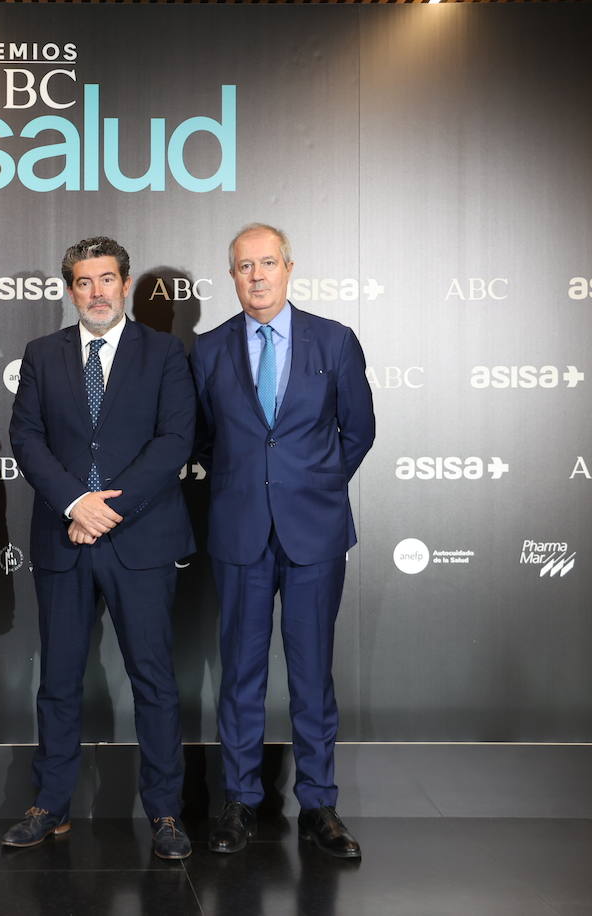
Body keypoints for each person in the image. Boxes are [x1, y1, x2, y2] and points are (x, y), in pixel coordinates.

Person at [6, 237, 195, 860]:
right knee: (58, 680)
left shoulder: (165, 352)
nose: (97, 292)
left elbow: (175, 440)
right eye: (84, 282)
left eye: (107, 279)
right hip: (65, 538)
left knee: (154, 680)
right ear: (70, 289)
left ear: (126, 282)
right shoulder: (42, 354)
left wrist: (107, 509)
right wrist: (74, 504)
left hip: (139, 538)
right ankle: (49, 805)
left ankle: (166, 812)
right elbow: (26, 436)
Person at [191, 224, 375, 858]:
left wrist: (313, 487)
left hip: (314, 534)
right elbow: (204, 439)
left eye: (268, 263)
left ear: (289, 268)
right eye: (244, 266)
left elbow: (359, 430)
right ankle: (240, 802)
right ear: (232, 274)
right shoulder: (209, 349)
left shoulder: (335, 340)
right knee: (240, 674)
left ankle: (320, 805)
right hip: (240, 532)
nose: (257, 276)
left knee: (311, 675)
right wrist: (254, 487)